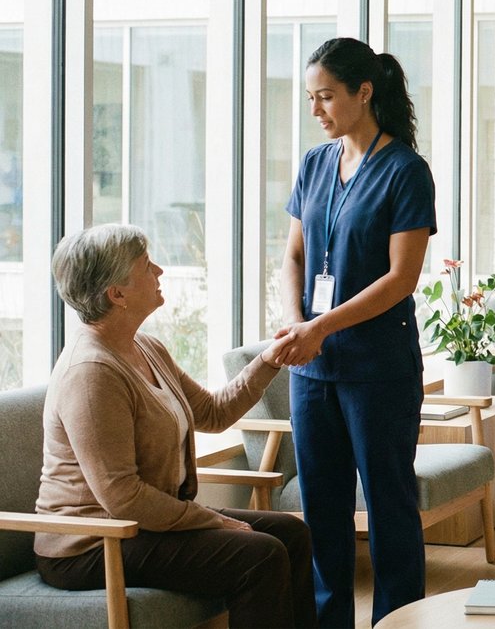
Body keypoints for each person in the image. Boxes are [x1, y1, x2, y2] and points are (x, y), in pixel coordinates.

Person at [35, 224, 316, 628]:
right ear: (117, 294)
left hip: (138, 527)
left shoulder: (145, 347)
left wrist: (269, 361)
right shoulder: (91, 371)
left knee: (290, 533)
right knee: (259, 555)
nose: (160, 271)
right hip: (91, 543)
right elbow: (123, 497)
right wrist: (215, 520)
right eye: (147, 266)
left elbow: (214, 413)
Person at [273, 37, 436, 627]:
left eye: (326, 97)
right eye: (311, 98)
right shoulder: (315, 164)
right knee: (323, 509)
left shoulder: (406, 171)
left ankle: (401, 622)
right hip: (313, 370)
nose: (316, 111)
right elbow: (292, 254)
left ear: (364, 93)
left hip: (379, 368)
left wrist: (321, 326)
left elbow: (401, 278)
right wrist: (298, 323)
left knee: (390, 508)